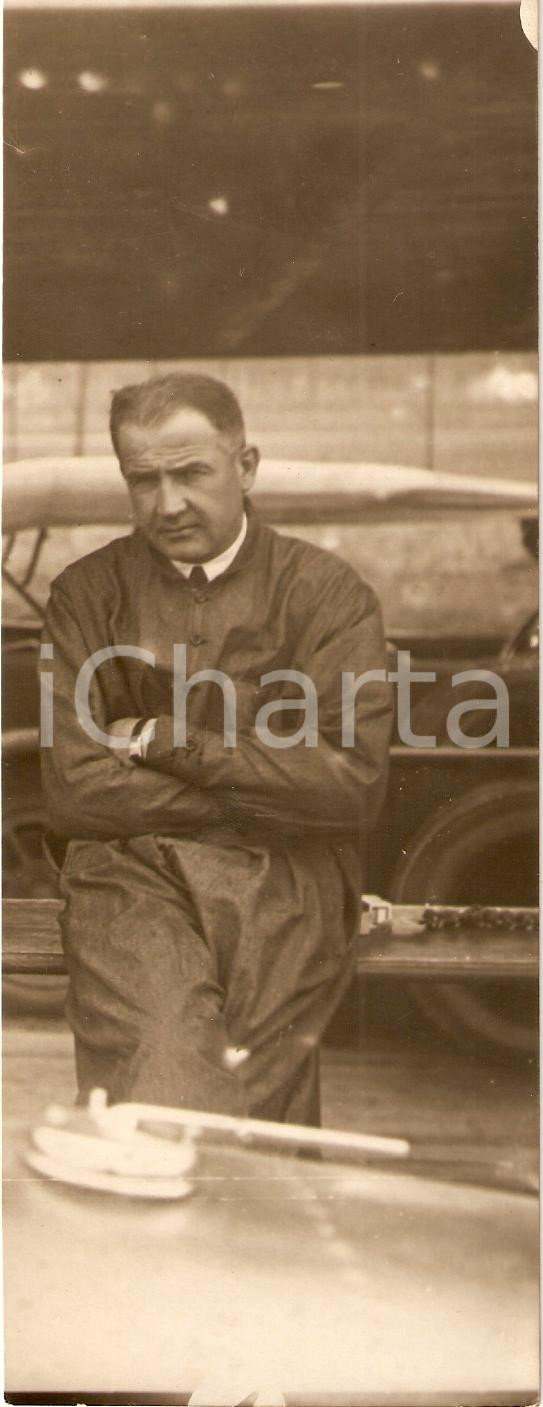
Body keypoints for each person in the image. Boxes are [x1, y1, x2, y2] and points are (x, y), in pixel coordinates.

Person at [42, 372, 392, 1124]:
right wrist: (268, 781)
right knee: (168, 1086)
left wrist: (170, 743)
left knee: (254, 1108)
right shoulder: (85, 594)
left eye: (191, 472)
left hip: (287, 884)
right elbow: (75, 790)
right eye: (144, 479)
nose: (168, 504)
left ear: (247, 465)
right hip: (129, 876)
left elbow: (349, 783)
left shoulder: (326, 594)